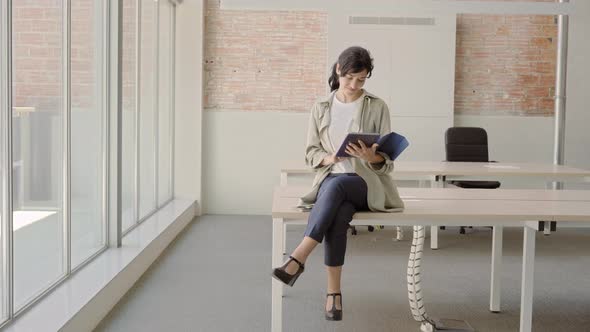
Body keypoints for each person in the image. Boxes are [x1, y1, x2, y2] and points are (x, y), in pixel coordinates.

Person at [271, 46, 405, 321]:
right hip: (330, 179)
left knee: (339, 187)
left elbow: (387, 160)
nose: (355, 85)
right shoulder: (320, 108)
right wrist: (329, 157)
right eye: (350, 78)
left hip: (365, 182)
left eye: (362, 80)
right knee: (338, 214)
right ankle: (334, 294)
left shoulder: (377, 106)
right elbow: (310, 153)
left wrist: (372, 156)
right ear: (338, 71)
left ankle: (298, 256)